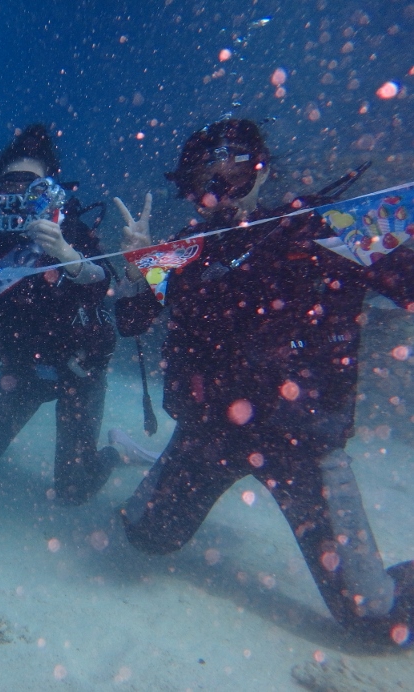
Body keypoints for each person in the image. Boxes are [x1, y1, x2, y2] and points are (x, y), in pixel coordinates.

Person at [112, 118, 414, 646]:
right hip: (209, 434)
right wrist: (136, 271)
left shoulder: (326, 227)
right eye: (203, 182)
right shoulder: (184, 249)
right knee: (144, 536)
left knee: (373, 621)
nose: (219, 194)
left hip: (302, 443)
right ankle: (141, 460)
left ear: (262, 171)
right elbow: (131, 322)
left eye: (231, 176)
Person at [0, 124, 120, 505]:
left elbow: (103, 287)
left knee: (73, 491)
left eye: (32, 187)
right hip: (21, 372)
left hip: (80, 371)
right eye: (8, 187)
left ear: (51, 190)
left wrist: (68, 256)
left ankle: (116, 452)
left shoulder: (71, 231)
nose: (19, 197)